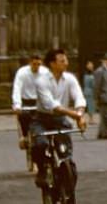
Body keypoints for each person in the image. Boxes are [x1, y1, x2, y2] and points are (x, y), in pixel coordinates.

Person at [32, 48, 86, 197]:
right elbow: (51, 105)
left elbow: (79, 97)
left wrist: (80, 114)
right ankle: (42, 171)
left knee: (65, 153)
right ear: (52, 64)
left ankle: (67, 183)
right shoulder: (41, 81)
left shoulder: (70, 78)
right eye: (62, 61)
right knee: (40, 144)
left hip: (60, 119)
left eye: (66, 60)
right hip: (42, 118)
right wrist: (75, 116)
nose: (66, 63)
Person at [12, 53, 46, 141]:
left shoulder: (45, 72)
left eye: (39, 64)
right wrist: (17, 105)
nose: (37, 67)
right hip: (26, 101)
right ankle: (26, 136)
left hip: (40, 100)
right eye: (34, 64)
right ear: (30, 63)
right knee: (23, 116)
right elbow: (17, 88)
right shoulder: (22, 72)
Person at [93, 53, 107, 139]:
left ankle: (101, 133)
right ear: (105, 61)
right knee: (105, 116)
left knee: (105, 115)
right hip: (103, 96)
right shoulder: (100, 71)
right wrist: (96, 98)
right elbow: (97, 86)